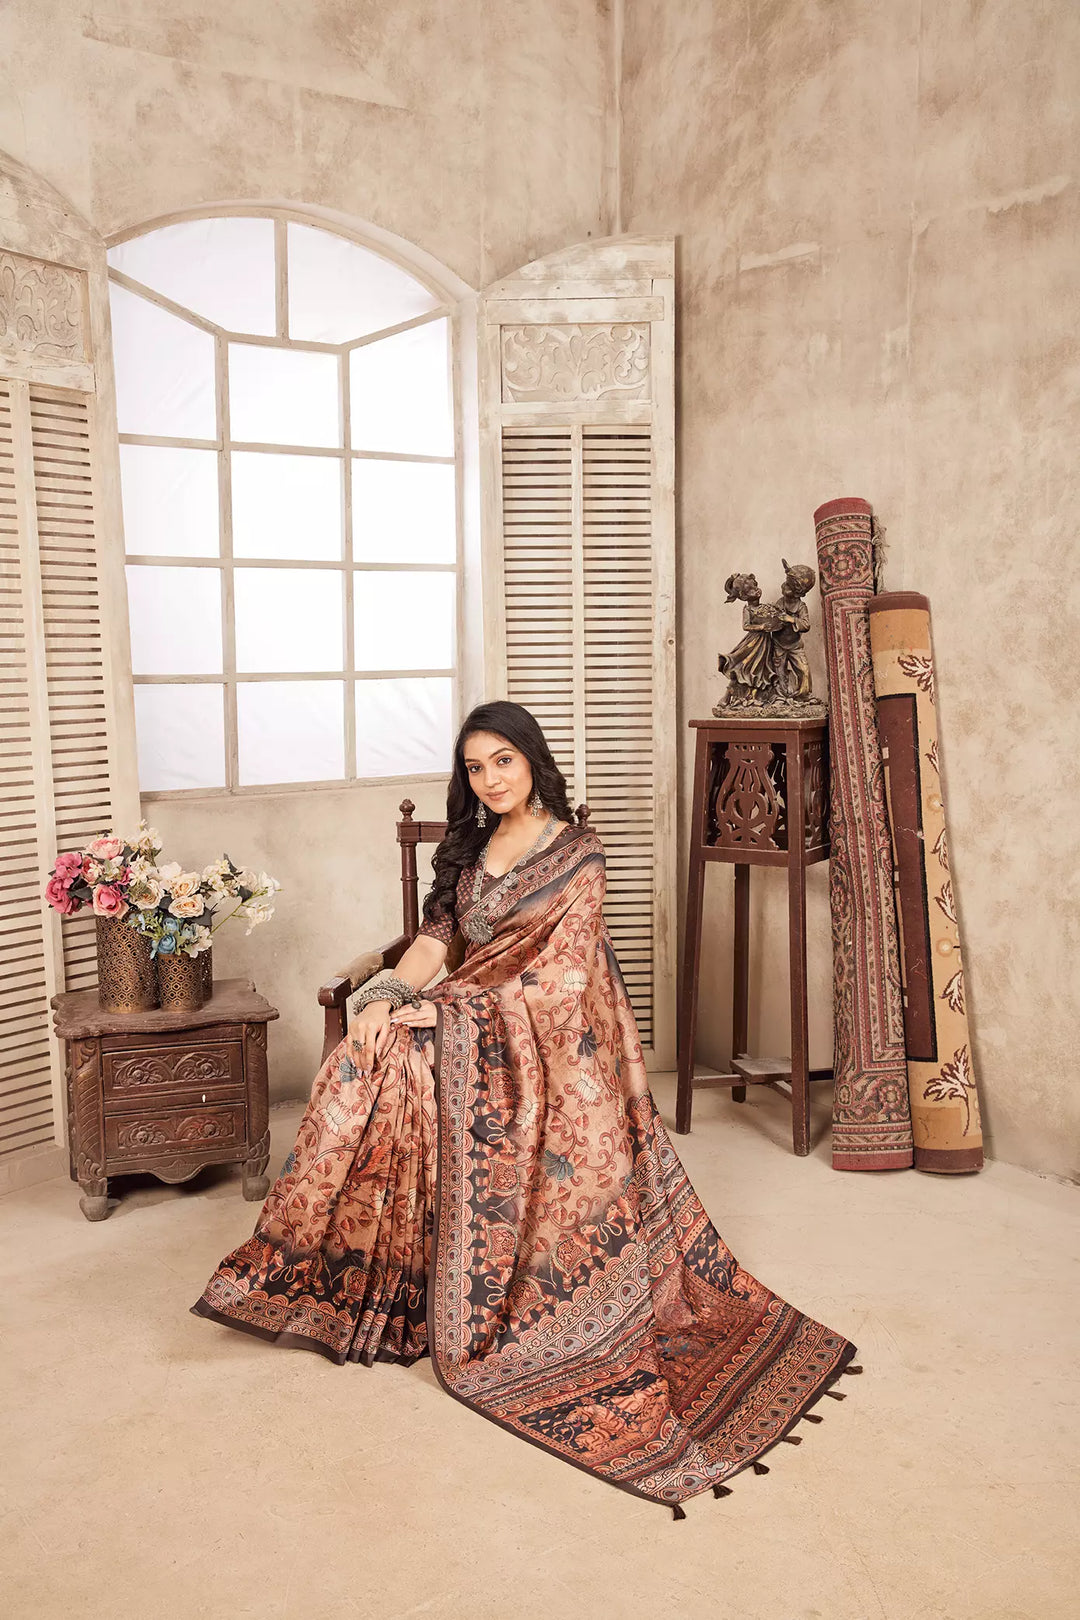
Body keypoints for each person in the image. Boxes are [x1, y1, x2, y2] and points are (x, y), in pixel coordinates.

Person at [191, 701, 857, 1514]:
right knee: (372, 1050)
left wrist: (448, 1015)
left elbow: (567, 979)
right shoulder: (468, 848)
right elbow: (436, 945)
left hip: (550, 1029)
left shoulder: (578, 853)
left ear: (533, 761)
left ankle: (432, 1266)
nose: (490, 779)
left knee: (410, 1051)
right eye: (475, 767)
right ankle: (365, 1271)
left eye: (503, 761)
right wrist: (390, 994)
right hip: (474, 1004)